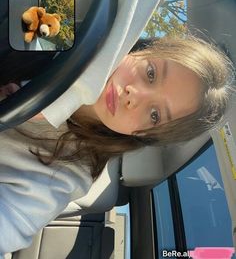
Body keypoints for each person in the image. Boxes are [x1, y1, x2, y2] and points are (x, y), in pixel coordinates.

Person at [0, 35, 234, 256]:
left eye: (154, 115)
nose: (134, 95)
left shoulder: (65, 173)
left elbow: (11, 222)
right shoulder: (72, 30)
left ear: (143, 135)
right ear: (140, 50)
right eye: (150, 73)